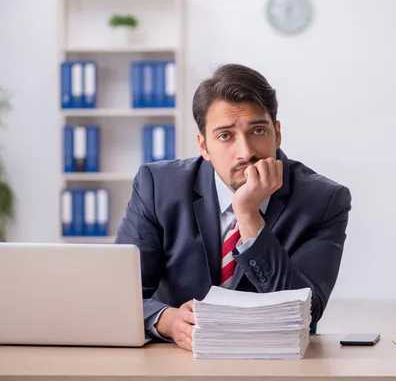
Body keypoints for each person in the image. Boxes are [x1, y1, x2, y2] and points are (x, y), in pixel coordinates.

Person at [115, 64, 352, 351]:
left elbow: (306, 312)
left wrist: (249, 215)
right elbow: (120, 298)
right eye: (225, 135)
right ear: (203, 146)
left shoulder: (324, 201)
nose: (246, 152)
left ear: (277, 134)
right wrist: (167, 320)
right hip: (180, 360)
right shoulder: (158, 187)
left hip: (276, 359)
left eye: (258, 130)